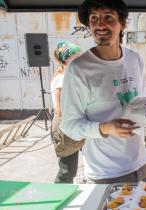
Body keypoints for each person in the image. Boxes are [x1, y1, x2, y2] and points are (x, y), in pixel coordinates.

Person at [60, 0, 146, 184]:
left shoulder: (134, 58)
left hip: (142, 162)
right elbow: (69, 125)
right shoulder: (79, 69)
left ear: (122, 23)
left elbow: (139, 98)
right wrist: (104, 128)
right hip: (106, 173)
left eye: (108, 17)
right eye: (94, 18)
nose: (100, 24)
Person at [51, 41, 84, 183]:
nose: (80, 60)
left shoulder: (70, 76)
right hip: (65, 129)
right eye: (75, 57)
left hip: (73, 126)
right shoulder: (62, 80)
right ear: (65, 60)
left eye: (80, 56)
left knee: (72, 169)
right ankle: (59, 196)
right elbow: (60, 111)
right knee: (67, 171)